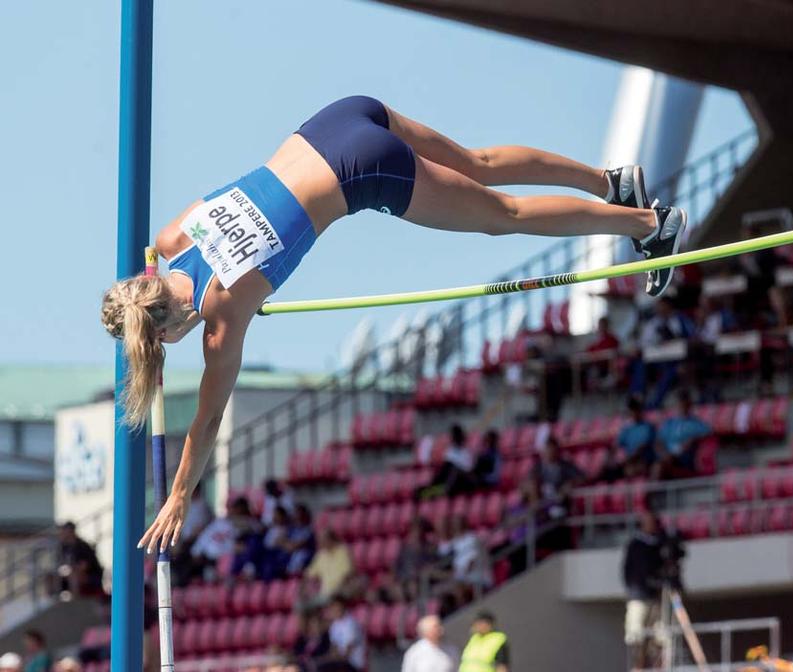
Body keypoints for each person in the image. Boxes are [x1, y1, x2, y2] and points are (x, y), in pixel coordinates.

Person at [100, 96, 688, 554]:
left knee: (501, 216)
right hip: (331, 122)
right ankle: (610, 182)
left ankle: (645, 224)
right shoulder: (169, 240)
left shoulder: (224, 311)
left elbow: (206, 423)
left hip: (363, 171)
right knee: (478, 163)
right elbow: (157, 266)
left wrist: (178, 497)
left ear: (160, 333)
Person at [623, 511, 677, 671]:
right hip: (638, 596)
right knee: (636, 634)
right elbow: (627, 571)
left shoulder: (660, 544)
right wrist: (635, 587)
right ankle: (637, 667)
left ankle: (659, 667)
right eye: (648, 522)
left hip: (657, 596)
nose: (651, 526)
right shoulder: (635, 545)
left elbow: (667, 564)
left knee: (661, 636)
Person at [652, 394, 711, 479]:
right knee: (657, 464)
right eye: (680, 404)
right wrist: (665, 454)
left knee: (659, 467)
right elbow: (658, 441)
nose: (682, 407)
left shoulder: (696, 423)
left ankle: (653, 490)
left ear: (689, 405)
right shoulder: (669, 423)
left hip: (684, 458)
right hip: (667, 457)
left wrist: (693, 440)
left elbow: (708, 434)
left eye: (685, 404)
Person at [297, 529, 353, 613]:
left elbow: (348, 574)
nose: (320, 543)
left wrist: (337, 589)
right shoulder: (321, 555)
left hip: (339, 591)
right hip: (325, 593)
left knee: (329, 599)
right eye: (320, 541)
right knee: (300, 605)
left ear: (331, 540)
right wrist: (302, 591)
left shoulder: (343, 551)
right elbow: (308, 574)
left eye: (323, 540)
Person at [53, 522, 103, 599]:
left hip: (90, 576)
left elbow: (84, 566)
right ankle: (53, 599)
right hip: (68, 575)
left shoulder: (82, 546)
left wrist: (69, 570)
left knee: (74, 575)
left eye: (64, 530)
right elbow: (60, 566)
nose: (61, 533)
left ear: (71, 531)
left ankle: (75, 598)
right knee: (49, 577)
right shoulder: (63, 548)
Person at [615, 397, 657, 477]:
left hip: (643, 461)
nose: (634, 412)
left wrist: (627, 459)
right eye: (632, 409)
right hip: (629, 462)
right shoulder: (626, 428)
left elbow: (642, 447)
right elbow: (617, 445)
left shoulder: (648, 427)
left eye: (636, 409)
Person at [324, 597, 367, 672]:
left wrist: (332, 658)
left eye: (336, 607)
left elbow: (347, 653)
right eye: (332, 608)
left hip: (354, 664)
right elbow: (333, 648)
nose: (334, 610)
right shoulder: (334, 625)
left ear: (342, 607)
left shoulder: (351, 624)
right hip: (339, 661)